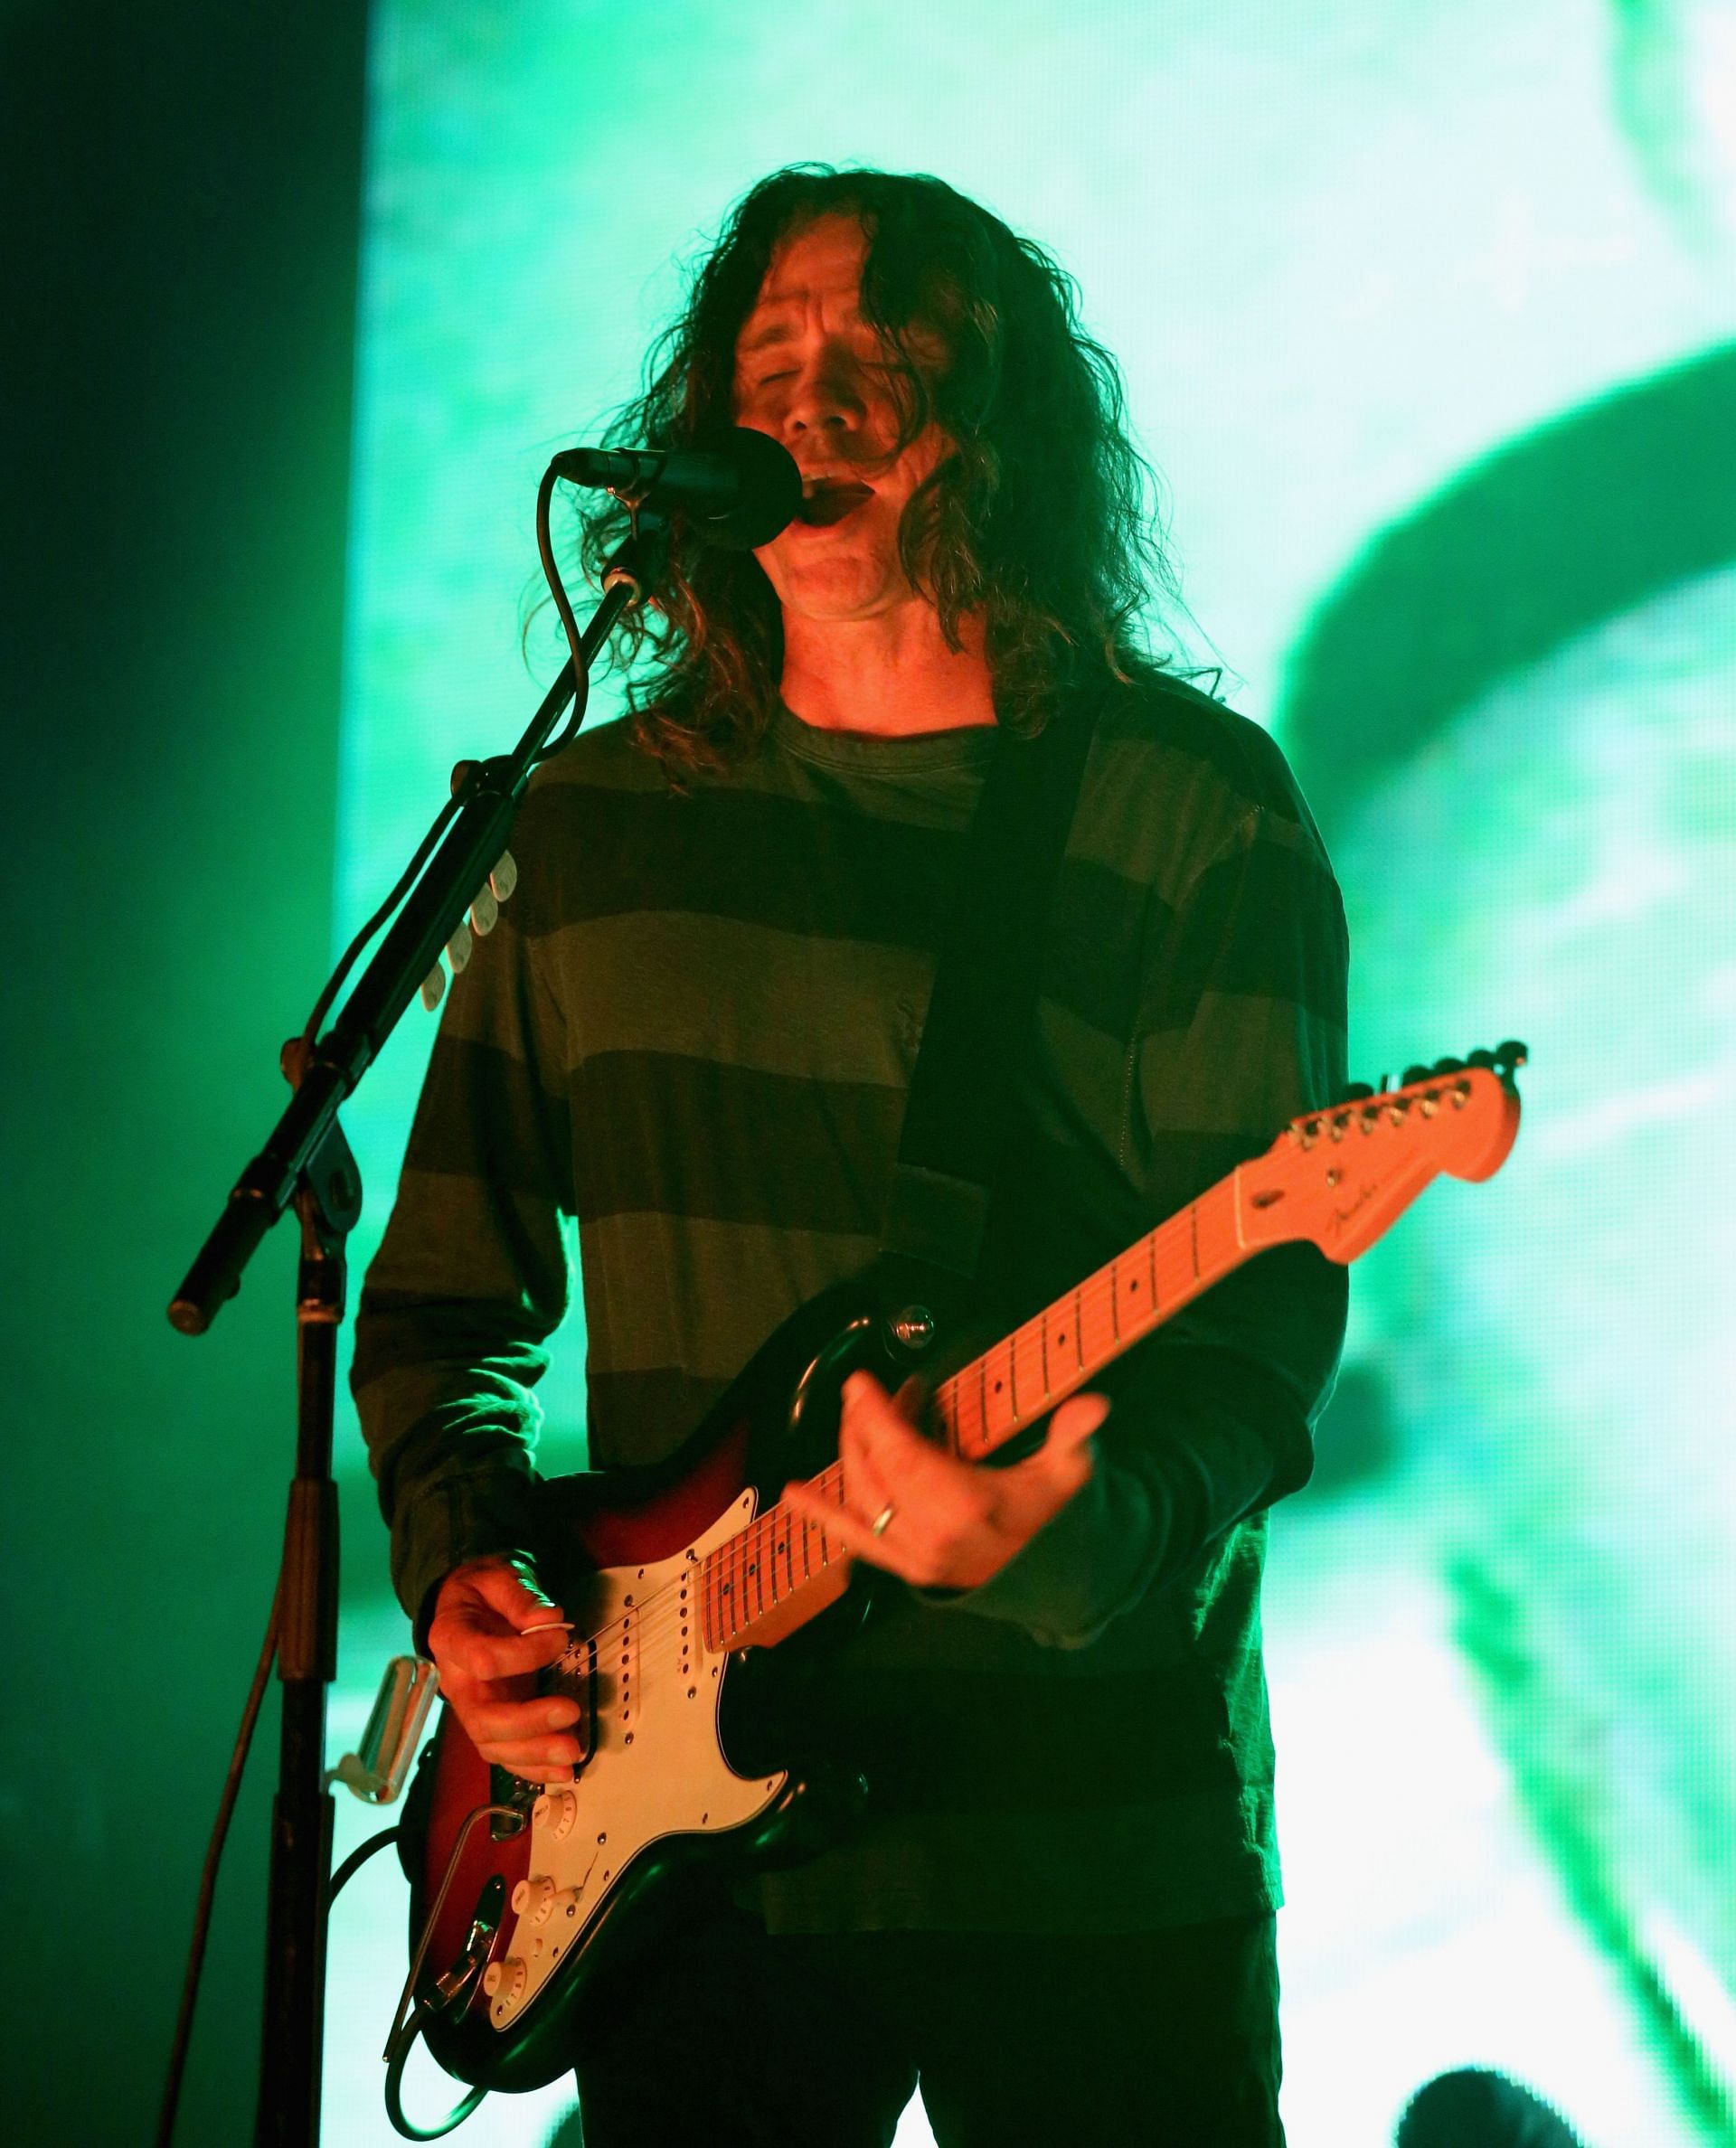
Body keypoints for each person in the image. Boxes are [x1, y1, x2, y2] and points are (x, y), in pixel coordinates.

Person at [353, 164, 1349, 2147]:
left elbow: (1253, 1333)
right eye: (774, 358)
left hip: (1088, 1849)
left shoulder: (1183, 814)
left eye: (887, 359)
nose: (817, 405)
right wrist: (466, 1568)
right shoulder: (587, 830)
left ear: (1002, 435)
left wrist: (1083, 1534)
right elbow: (446, 1305)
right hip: (685, 1867)